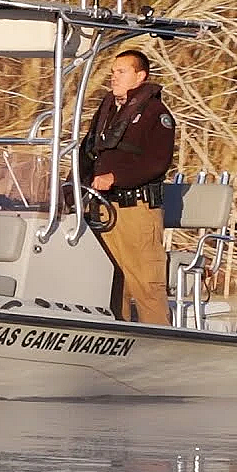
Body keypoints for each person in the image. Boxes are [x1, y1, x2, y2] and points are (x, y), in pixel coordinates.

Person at [79, 49, 175, 325]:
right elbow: (88, 150)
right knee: (110, 284)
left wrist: (115, 177)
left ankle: (161, 349)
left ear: (140, 76)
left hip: (137, 210)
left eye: (121, 71)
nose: (113, 77)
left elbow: (157, 162)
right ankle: (115, 345)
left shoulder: (156, 114)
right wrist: (74, 185)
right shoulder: (108, 109)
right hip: (103, 210)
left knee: (147, 285)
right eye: (113, 71)